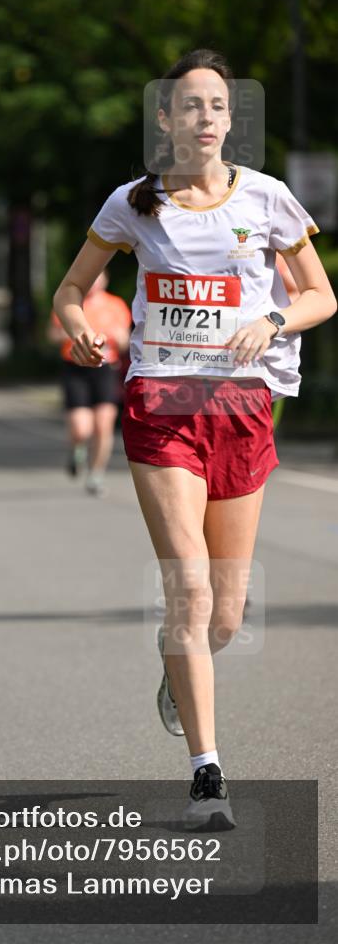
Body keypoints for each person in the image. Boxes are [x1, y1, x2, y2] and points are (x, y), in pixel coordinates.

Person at [53, 49, 336, 830]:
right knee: (189, 588)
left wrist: (271, 318)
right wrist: (78, 326)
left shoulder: (268, 198)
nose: (204, 117)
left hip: (240, 408)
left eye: (216, 104)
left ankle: (176, 664)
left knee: (227, 614)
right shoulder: (132, 203)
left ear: (228, 118)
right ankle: (206, 772)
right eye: (189, 105)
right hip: (162, 404)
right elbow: (71, 288)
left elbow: (320, 295)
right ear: (165, 118)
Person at [48, 270, 131, 494]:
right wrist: (77, 334)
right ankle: (78, 449)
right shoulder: (71, 303)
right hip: (75, 367)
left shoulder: (115, 305)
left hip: (105, 368)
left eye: (98, 277)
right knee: (80, 428)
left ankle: (96, 474)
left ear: (105, 280)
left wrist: (118, 336)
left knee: (104, 423)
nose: (94, 282)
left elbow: (125, 341)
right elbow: (52, 335)